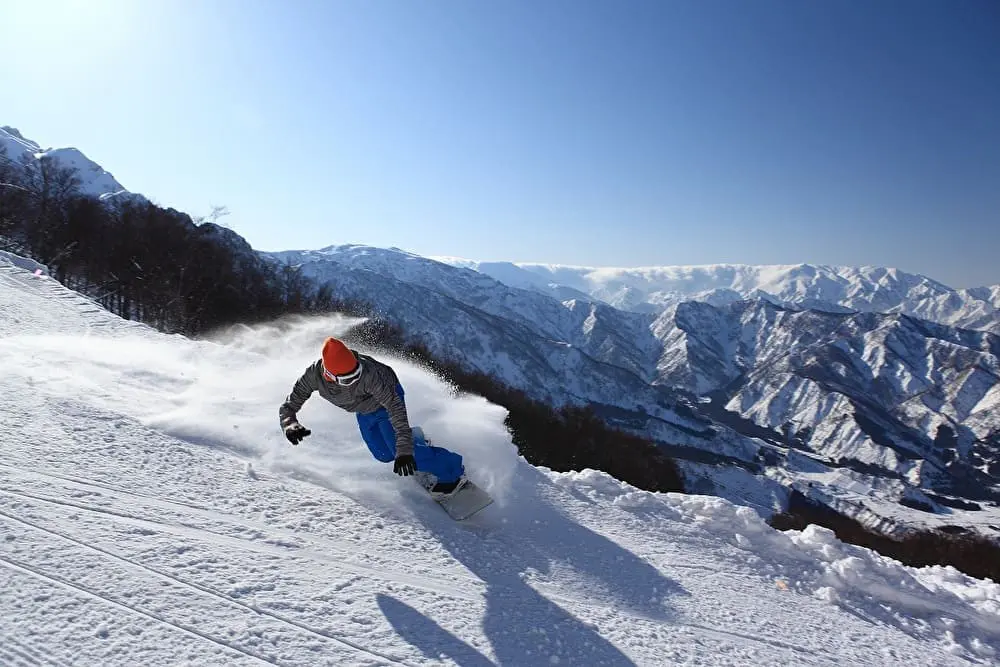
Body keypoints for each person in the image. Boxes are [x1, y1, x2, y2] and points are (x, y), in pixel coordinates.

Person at [279, 337, 466, 496]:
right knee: (383, 455)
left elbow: (396, 410)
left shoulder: (372, 375)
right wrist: (290, 424)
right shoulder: (313, 376)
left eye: (356, 373)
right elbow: (289, 405)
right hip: (363, 410)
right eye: (347, 379)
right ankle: (415, 440)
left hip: (387, 403)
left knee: (398, 451)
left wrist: (404, 452)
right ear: (328, 374)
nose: (354, 380)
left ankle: (452, 471)